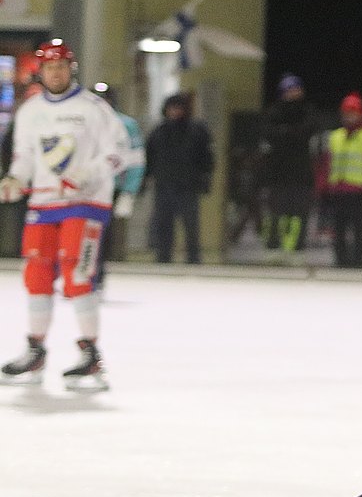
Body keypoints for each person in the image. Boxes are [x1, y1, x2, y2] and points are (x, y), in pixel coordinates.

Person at [0, 39, 129, 390]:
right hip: (43, 204)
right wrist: (15, 179)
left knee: (77, 272)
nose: (54, 73)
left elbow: (120, 153)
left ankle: (90, 354)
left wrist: (88, 175)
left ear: (70, 69)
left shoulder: (94, 108)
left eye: (60, 67)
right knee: (37, 273)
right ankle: (36, 349)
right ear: (40, 71)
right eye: (48, 67)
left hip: (85, 203)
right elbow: (24, 156)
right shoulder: (30, 110)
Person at [144, 92, 215, 264]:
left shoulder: (197, 131)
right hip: (164, 186)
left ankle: (193, 258)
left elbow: (207, 158)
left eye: (178, 108)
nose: (175, 112)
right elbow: (149, 157)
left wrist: (205, 179)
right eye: (172, 108)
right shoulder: (159, 132)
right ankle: (163, 258)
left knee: (191, 226)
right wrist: (145, 179)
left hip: (188, 187)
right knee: (163, 225)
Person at [315, 92, 362, 268]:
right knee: (338, 229)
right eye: (346, 112)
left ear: (360, 113)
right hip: (338, 191)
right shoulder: (336, 136)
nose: (350, 116)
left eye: (353, 112)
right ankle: (340, 260)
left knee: (358, 228)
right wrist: (323, 187)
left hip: (359, 191)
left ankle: (359, 262)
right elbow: (327, 163)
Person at [92, 83, 144, 292]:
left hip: (111, 187)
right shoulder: (82, 123)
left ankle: (97, 277)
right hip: (84, 187)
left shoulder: (126, 125)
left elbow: (136, 159)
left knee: (102, 235)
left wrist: (129, 191)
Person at [260, 73, 317, 259]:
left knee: (299, 211)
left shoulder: (307, 111)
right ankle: (273, 244)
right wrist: (289, 134)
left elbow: (306, 131)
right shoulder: (274, 112)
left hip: (300, 173)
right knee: (276, 210)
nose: (294, 94)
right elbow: (270, 133)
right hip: (278, 173)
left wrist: (287, 133)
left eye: (296, 90)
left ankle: (297, 246)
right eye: (289, 90)